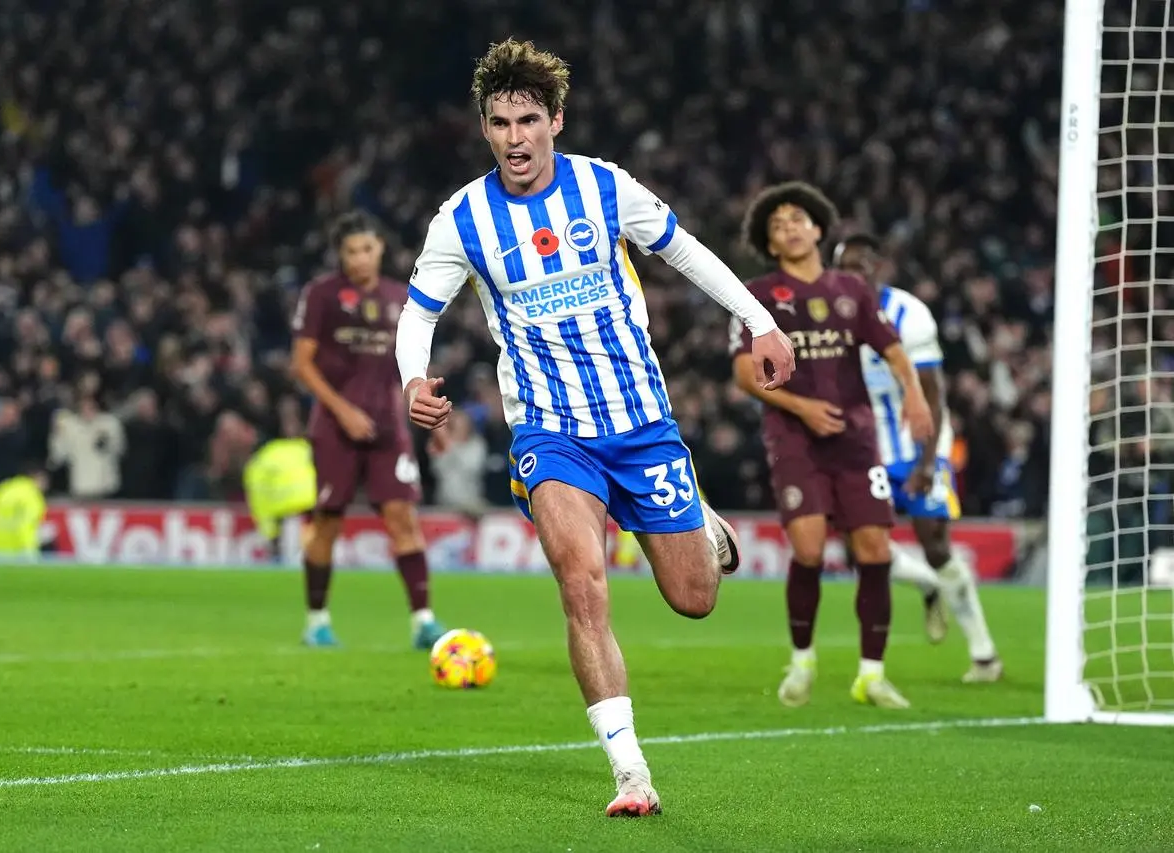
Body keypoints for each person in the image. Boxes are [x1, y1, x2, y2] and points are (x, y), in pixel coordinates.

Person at [395, 38, 794, 817]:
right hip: (550, 431)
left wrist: (760, 322)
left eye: (529, 120)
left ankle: (701, 523)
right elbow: (419, 313)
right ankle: (630, 772)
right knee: (582, 583)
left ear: (557, 120)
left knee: (693, 597)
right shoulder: (462, 219)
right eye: (500, 122)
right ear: (484, 128)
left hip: (640, 423)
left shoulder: (604, 188)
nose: (515, 137)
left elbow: (686, 253)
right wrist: (414, 376)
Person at [729, 182, 932, 710]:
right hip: (794, 438)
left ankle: (872, 673)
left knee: (875, 551)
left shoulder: (853, 290)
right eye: (778, 225)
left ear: (818, 228)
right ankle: (802, 661)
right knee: (810, 549)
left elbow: (892, 350)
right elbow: (745, 374)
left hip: (857, 439)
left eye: (799, 219)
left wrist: (914, 396)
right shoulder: (756, 295)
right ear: (770, 244)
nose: (790, 228)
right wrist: (803, 409)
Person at [835, 233, 1002, 683]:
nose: (855, 274)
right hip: (867, 448)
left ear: (878, 267)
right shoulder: (831, 318)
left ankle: (984, 654)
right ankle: (926, 583)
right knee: (858, 549)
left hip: (917, 441)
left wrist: (928, 463)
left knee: (935, 544)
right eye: (846, 266)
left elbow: (934, 395)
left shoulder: (910, 315)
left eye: (862, 265)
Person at [291, 211, 447, 650]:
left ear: (380, 248)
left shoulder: (402, 297)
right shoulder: (322, 295)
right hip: (334, 429)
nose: (360, 258)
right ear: (341, 256)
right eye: (351, 251)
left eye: (367, 249)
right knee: (327, 522)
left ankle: (423, 622)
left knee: (403, 519)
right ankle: (317, 622)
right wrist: (342, 412)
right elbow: (301, 363)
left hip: (388, 428)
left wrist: (426, 418)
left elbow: (410, 366)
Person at [242, 437, 317, 561]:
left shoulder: (261, 461)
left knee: (292, 558)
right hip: (316, 509)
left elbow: (259, 501)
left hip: (290, 513)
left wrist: (269, 532)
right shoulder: (304, 448)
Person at [0, 463, 50, 559]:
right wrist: (29, 548)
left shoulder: (4, 487)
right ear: (37, 478)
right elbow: (28, 523)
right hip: (19, 548)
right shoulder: (33, 495)